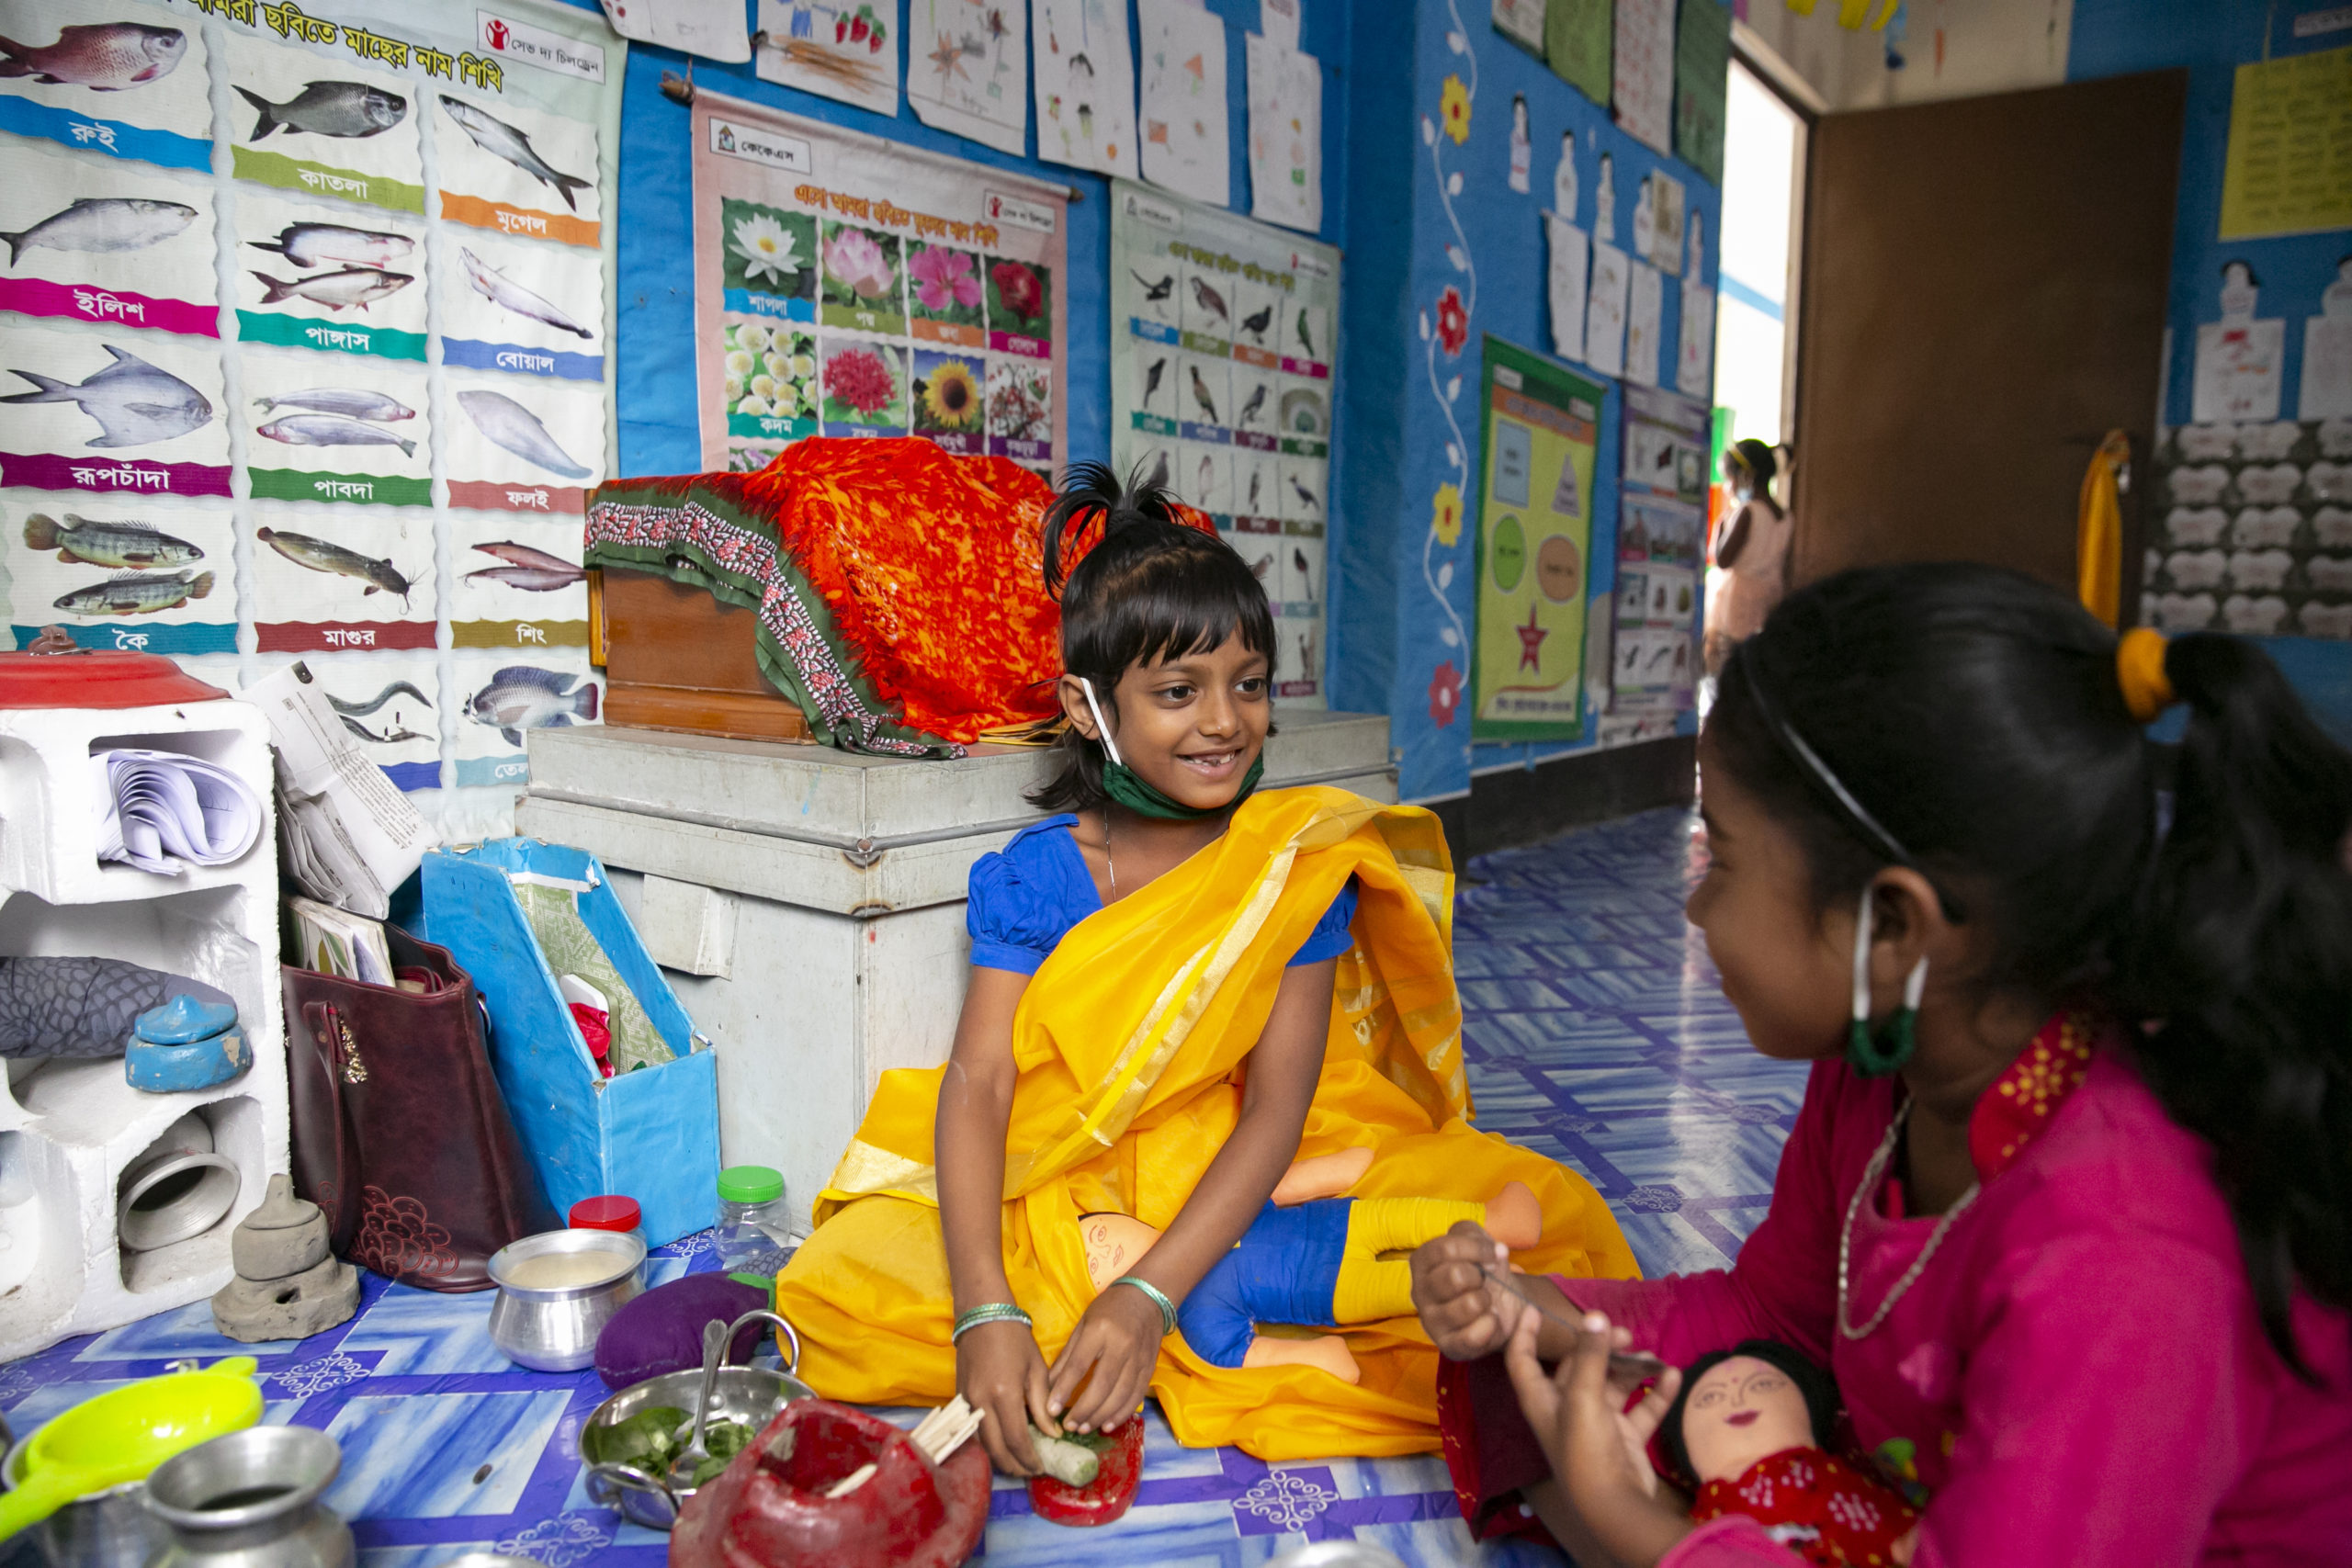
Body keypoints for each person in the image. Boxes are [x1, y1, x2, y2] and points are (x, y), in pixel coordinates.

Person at [1410, 564, 2352, 1565]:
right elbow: (1769, 1313)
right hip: (1949, 1500)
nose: (1695, 908)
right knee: (1519, 1368)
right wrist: (1536, 1308)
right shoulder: (1880, 1067)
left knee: (1611, 1448)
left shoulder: (2121, 1252)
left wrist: (1634, 1528)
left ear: (1891, 927)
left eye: (1719, 858)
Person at [773, 461, 1635, 1473]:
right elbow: (983, 1082)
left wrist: (1146, 1294)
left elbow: (1277, 1107)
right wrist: (984, 1310)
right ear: (1090, 709)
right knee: (839, 1292)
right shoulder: (1040, 878)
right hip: (1072, 1181)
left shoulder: (1291, 870)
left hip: (1255, 1169)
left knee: (1507, 1244)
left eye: (1250, 685)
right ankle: (1119, 1307)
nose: (1224, 722)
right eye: (1178, 692)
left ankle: (1164, 1305)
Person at [1703, 438, 1790, 677]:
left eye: (1728, 480)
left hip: (1736, 603)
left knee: (1724, 666)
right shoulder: (1784, 515)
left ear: (1745, 477)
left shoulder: (1746, 512)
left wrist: (1722, 522)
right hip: (1767, 597)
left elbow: (1722, 559)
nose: (1727, 487)